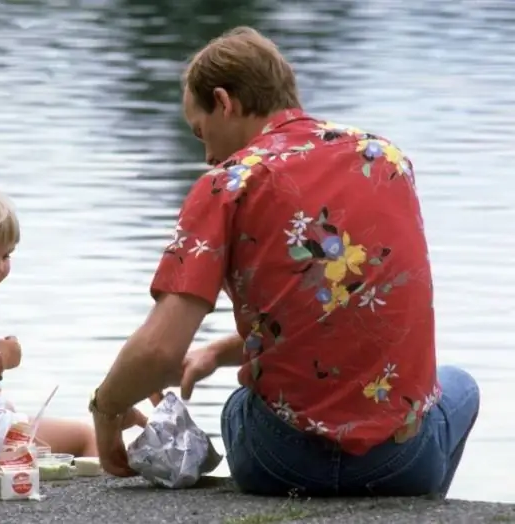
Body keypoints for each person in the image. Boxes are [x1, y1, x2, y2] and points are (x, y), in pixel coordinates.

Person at [88, 26, 480, 497]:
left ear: (224, 101)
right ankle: (412, 508)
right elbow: (341, 308)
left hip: (280, 462)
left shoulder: (230, 182)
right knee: (459, 386)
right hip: (401, 461)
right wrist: (216, 352)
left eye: (201, 131)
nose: (208, 154)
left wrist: (105, 409)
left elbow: (159, 351)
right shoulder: (386, 159)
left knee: (241, 402)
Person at [0, 181, 144, 471]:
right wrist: (0, 359)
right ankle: (97, 507)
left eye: (6, 255)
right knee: (83, 437)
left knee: (21, 415)